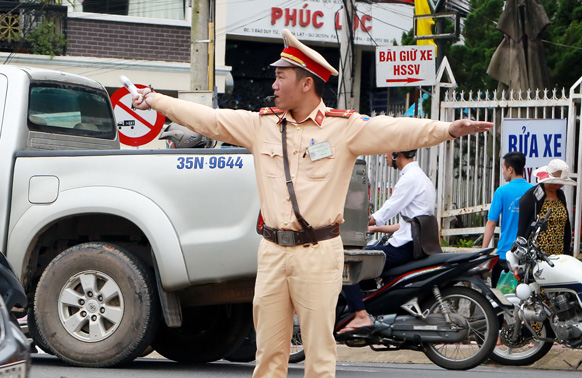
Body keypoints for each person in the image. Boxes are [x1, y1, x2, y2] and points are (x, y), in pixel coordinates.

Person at [132, 29, 493, 378]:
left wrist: (447, 129)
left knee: (319, 355)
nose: (273, 84)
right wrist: (155, 99)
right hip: (272, 251)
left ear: (306, 83)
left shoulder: (343, 128)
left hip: (319, 252)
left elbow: (394, 129)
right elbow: (209, 120)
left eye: (281, 76)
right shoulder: (262, 125)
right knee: (268, 354)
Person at [336, 149, 435, 338]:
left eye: (388, 152)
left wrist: (351, 221)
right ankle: (372, 312)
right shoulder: (421, 177)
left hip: (403, 248)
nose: (385, 156)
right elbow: (408, 223)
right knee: (368, 255)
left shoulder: (409, 179)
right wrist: (376, 229)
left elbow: (385, 212)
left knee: (346, 263)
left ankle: (361, 314)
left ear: (398, 153)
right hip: (411, 243)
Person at [482, 151, 532, 287]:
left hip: (505, 254)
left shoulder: (501, 192)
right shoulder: (533, 191)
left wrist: (482, 251)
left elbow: (491, 223)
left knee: (499, 300)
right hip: (527, 256)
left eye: (503, 169)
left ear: (510, 169)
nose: (503, 172)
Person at [518, 159, 576, 256]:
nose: (557, 186)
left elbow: (566, 226)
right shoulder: (531, 197)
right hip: (537, 257)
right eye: (554, 182)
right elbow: (522, 229)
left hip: (559, 256)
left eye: (560, 183)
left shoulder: (560, 195)